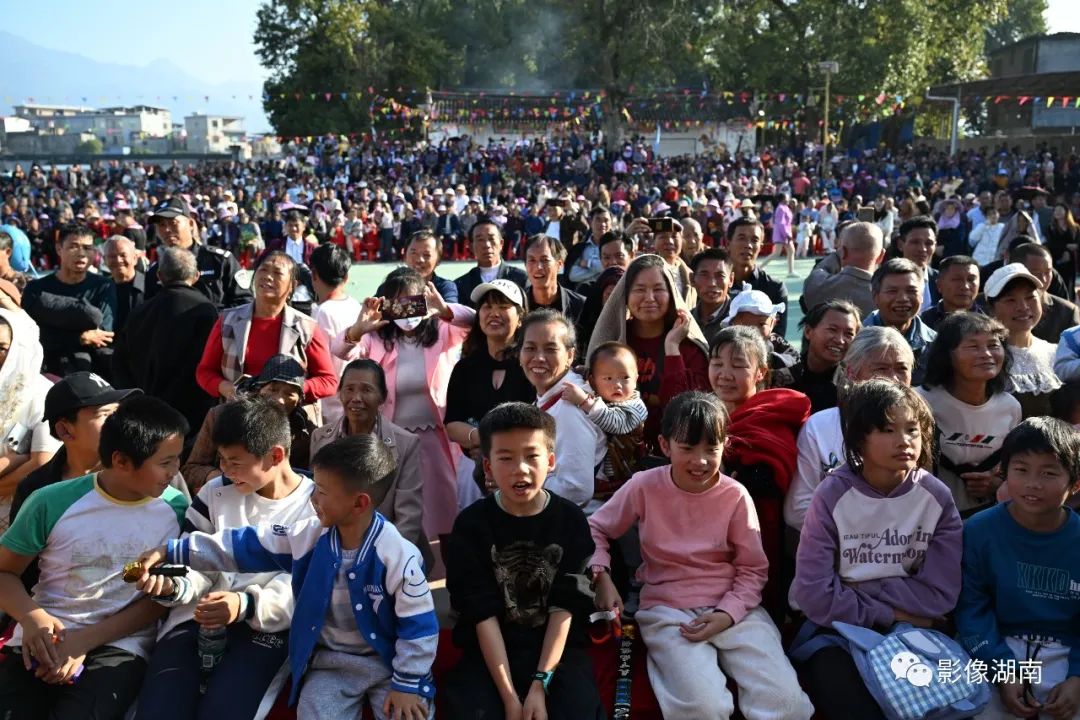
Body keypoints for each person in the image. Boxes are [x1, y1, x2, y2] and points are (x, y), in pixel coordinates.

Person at [138, 435, 438, 720]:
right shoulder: (308, 536)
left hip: (391, 663)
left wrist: (408, 684)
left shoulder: (398, 555)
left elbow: (420, 626)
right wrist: (173, 551)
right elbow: (244, 545)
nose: (313, 498)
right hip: (330, 664)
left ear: (359, 503)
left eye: (322, 492)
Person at [589, 392, 814, 720]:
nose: (700, 461)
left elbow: (753, 569)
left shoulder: (735, 495)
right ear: (665, 445)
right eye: (687, 448)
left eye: (711, 449)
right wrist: (602, 575)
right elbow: (595, 528)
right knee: (702, 707)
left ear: (726, 445)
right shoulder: (643, 486)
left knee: (787, 704)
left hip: (735, 608)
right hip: (668, 610)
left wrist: (728, 612)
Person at [0, 396, 189, 719]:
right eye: (165, 462)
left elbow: (159, 599)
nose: (175, 472)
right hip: (42, 639)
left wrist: (83, 642)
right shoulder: (50, 501)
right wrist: (33, 619)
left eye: (177, 459)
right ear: (122, 461)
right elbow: (5, 573)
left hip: (119, 645)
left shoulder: (177, 510)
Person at [790, 380, 962, 720]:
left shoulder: (937, 497)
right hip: (838, 630)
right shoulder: (831, 495)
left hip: (917, 631)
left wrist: (859, 592)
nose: (904, 441)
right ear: (859, 439)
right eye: (887, 430)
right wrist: (895, 612)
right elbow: (814, 596)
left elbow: (940, 596)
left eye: (912, 429)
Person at [134, 398, 313, 719]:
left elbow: (301, 587)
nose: (225, 470)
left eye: (235, 462)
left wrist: (245, 604)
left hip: (267, 626)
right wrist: (174, 587)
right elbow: (193, 562)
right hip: (197, 616)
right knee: (161, 706)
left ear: (275, 456)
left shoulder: (314, 504)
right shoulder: (215, 492)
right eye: (221, 460)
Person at [442, 402, 604, 720]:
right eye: (506, 458)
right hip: (491, 649)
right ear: (488, 466)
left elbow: (565, 607)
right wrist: (510, 698)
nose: (521, 469)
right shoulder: (471, 525)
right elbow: (481, 614)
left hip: (556, 651)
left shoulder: (570, 520)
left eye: (532, 456)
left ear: (551, 461)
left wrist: (540, 684)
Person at [334, 267, 474, 539]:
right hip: (391, 438)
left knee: (442, 507)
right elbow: (340, 350)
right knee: (395, 505)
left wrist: (443, 309)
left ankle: (441, 560)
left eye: (413, 302)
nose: (407, 311)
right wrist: (358, 329)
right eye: (398, 304)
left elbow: (471, 321)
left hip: (435, 438)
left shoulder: (442, 331)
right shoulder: (376, 337)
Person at [956, 418, 1080, 719]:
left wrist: (1077, 677)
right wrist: (1003, 670)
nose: (1033, 483)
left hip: (1068, 653)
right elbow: (971, 608)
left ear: (1075, 483)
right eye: (1021, 470)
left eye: (1049, 473)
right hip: (994, 647)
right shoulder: (978, 531)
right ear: (1004, 472)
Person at [708, 326, 811, 615]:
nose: (725, 374)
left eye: (738, 366)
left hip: (756, 534)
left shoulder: (769, 417)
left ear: (760, 373)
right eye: (717, 363)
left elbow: (774, 475)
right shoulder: (705, 413)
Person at [784, 326, 915, 534]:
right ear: (851, 373)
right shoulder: (819, 427)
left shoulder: (920, 427)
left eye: (901, 369)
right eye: (881, 369)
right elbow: (797, 509)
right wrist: (861, 532)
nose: (894, 379)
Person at [308, 359, 430, 567]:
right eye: (349, 389)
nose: (356, 398)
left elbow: (408, 516)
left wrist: (386, 563)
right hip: (333, 553)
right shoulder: (320, 438)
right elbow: (316, 501)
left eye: (366, 390)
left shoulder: (405, 443)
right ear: (339, 393)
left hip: (387, 554)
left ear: (382, 396)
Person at [587, 255, 710, 454]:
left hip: (676, 456)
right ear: (626, 296)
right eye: (640, 289)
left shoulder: (689, 348)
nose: (649, 298)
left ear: (672, 294)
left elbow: (683, 409)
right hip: (617, 456)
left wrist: (672, 347)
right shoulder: (612, 344)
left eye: (658, 289)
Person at [196, 250, 337, 405]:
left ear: (292, 285)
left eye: (277, 273)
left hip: (286, 416)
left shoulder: (306, 327)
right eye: (263, 270)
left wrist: (291, 389)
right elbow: (205, 371)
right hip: (237, 412)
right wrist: (229, 389)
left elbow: (328, 381)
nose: (268, 276)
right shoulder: (227, 321)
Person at [111, 247, 217, 443]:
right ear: (196, 276)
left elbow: (119, 362)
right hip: (191, 418)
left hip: (145, 414)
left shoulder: (140, 312)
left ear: (159, 276)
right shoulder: (205, 310)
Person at [919, 312, 1021, 513]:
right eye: (973, 347)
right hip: (929, 517)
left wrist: (996, 483)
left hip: (986, 517)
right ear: (947, 355)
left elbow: (1012, 465)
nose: (986, 354)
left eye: (993, 345)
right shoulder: (920, 402)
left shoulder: (1010, 407)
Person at [9, 372, 139, 529]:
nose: (118, 422)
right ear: (65, 430)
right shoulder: (35, 491)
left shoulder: (145, 472)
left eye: (117, 412)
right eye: (104, 414)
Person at [444, 279, 534, 506]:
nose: (494, 313)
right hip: (473, 472)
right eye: (487, 307)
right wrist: (479, 439)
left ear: (520, 317)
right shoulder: (466, 367)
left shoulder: (530, 365)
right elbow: (452, 423)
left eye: (503, 307)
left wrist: (494, 448)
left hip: (523, 467)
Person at [183, 356, 319, 492]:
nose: (280, 400)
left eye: (289, 394)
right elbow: (191, 470)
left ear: (299, 399)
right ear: (258, 389)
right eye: (273, 390)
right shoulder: (221, 417)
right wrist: (222, 480)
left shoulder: (304, 432)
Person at [519, 309, 606, 507]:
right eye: (530, 348)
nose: (539, 358)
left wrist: (519, 483)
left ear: (570, 355)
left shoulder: (570, 406)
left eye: (551, 349)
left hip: (585, 519)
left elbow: (576, 490)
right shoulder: (552, 396)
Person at [23, 224, 117, 377]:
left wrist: (54, 326)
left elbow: (103, 333)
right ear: (59, 249)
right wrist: (80, 338)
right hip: (45, 369)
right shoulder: (37, 289)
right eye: (73, 247)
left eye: (87, 248)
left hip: (92, 373)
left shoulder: (104, 286)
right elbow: (33, 335)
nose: (81, 254)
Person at [561, 341, 648, 499]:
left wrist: (584, 402)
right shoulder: (600, 395)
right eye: (608, 378)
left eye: (625, 377)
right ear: (593, 381)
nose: (617, 385)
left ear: (636, 378)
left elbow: (616, 423)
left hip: (621, 474)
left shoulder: (636, 406)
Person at [0, 308, 59, 527]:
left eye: (1, 348)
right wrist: (15, 460)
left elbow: (42, 461)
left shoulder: (41, 393)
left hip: (17, 513)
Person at [144, 196, 250, 310]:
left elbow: (245, 303)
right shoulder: (155, 272)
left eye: (173, 223)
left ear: (190, 224)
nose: (167, 230)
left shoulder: (220, 261)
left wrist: (214, 317)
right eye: (161, 225)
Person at [985, 263, 1061, 418]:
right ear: (991, 309)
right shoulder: (985, 357)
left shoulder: (1057, 352)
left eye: (1030, 297)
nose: (1023, 307)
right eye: (1010, 300)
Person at [310, 243, 362, 426]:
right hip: (358, 399)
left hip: (330, 405)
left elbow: (317, 363)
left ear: (314, 275)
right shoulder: (356, 306)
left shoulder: (321, 312)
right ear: (346, 277)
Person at [865, 258, 937, 384]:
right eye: (892, 291)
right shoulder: (855, 339)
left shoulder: (935, 344)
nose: (902, 298)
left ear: (921, 296)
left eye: (911, 291)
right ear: (876, 297)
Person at [784, 299, 861, 412]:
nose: (840, 340)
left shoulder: (851, 390)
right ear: (808, 331)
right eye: (832, 330)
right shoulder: (781, 376)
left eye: (848, 334)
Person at [802, 222, 884, 319]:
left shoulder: (819, 286)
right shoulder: (885, 295)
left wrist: (837, 255)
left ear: (842, 252)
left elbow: (817, 272)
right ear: (881, 256)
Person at [725, 218, 789, 336]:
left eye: (754, 240)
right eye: (741, 238)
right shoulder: (717, 285)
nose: (748, 245)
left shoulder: (775, 288)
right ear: (728, 244)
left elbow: (778, 336)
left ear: (761, 246)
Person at [1012, 242, 1080, 343]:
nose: (1043, 279)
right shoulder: (995, 305)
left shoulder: (1067, 312)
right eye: (1035, 273)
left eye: (1048, 272)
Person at [454, 220, 528, 308]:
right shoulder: (461, 284)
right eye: (480, 240)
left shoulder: (520, 278)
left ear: (501, 244)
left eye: (491, 239)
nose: (487, 245)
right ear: (471, 247)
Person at [523, 235, 586, 333]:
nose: (538, 267)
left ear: (559, 264)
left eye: (545, 260)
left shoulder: (580, 306)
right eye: (532, 260)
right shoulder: (517, 306)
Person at [920, 254, 983, 331]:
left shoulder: (988, 325)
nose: (965, 286)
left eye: (971, 279)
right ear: (939, 285)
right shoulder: (922, 323)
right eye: (957, 279)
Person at [894, 216, 941, 312]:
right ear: (900, 244)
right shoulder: (884, 280)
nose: (922, 249)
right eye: (915, 242)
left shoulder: (941, 281)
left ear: (935, 246)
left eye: (929, 243)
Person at [689, 247, 734, 347]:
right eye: (704, 275)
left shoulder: (740, 319)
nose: (712, 283)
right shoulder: (685, 320)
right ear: (692, 279)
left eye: (720, 275)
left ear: (731, 279)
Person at [402, 230, 459, 303]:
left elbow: (451, 307)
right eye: (414, 253)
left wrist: (441, 307)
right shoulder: (393, 285)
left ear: (438, 260)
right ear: (405, 257)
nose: (419, 260)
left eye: (426, 255)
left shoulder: (445, 287)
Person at [102, 236, 144, 333]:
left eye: (123, 255)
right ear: (104, 260)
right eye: (112, 256)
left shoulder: (151, 286)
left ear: (135, 258)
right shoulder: (102, 290)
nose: (118, 260)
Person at [564, 205, 611, 289]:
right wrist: (600, 270)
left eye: (606, 220)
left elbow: (612, 267)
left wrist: (588, 264)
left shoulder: (614, 247)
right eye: (598, 220)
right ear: (590, 222)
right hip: (581, 294)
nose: (603, 224)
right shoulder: (580, 248)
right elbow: (572, 275)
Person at [758, 193, 798, 278]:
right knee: (777, 253)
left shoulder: (785, 208)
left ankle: (790, 271)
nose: (788, 199)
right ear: (783, 199)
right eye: (787, 198)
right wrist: (787, 234)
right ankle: (760, 267)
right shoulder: (780, 208)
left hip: (784, 233)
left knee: (790, 251)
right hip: (781, 234)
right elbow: (781, 223)